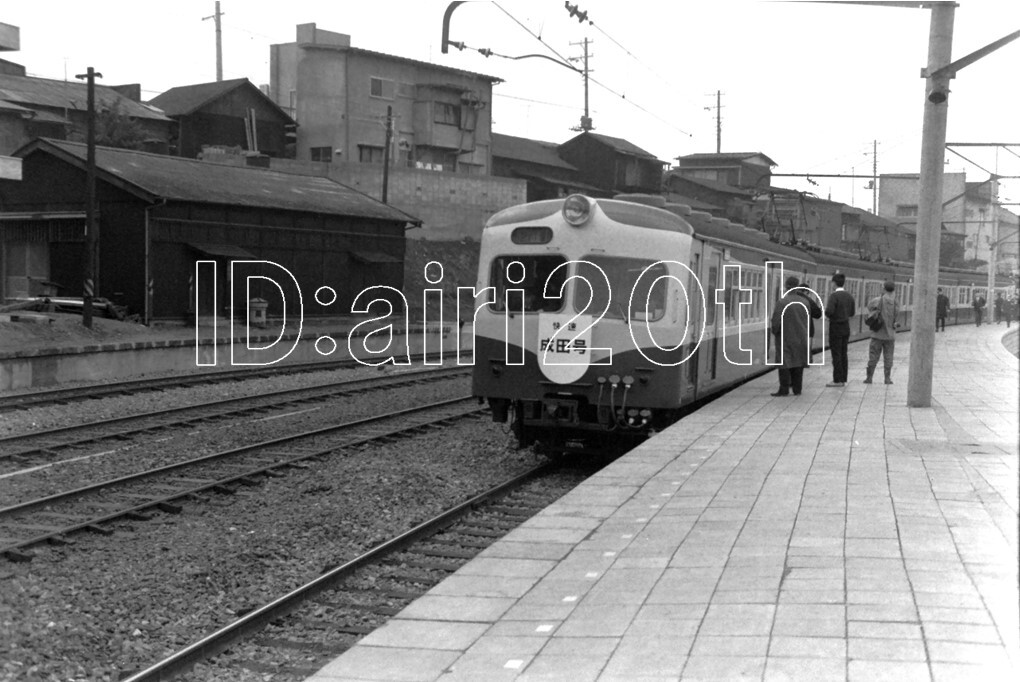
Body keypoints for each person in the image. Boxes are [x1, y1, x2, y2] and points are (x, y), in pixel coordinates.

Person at [770, 275, 820, 396]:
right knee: (798, 363)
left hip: (785, 338)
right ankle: (797, 389)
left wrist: (775, 331)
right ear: (797, 287)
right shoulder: (805, 302)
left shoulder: (782, 302)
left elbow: (776, 321)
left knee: (784, 363)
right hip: (802, 337)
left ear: (786, 287)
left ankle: (784, 389)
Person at [864, 280, 899, 385]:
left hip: (877, 334)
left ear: (884, 289)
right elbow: (896, 318)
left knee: (873, 356)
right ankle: (887, 379)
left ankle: (869, 378)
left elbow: (869, 307)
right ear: (893, 290)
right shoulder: (896, 303)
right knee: (888, 357)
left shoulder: (877, 300)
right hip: (890, 336)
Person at [824, 272, 855, 386]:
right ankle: (843, 378)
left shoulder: (834, 296)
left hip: (835, 327)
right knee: (843, 353)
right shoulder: (849, 296)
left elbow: (829, 311)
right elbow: (852, 312)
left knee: (836, 354)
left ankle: (837, 380)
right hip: (846, 327)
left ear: (834, 283)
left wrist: (828, 316)